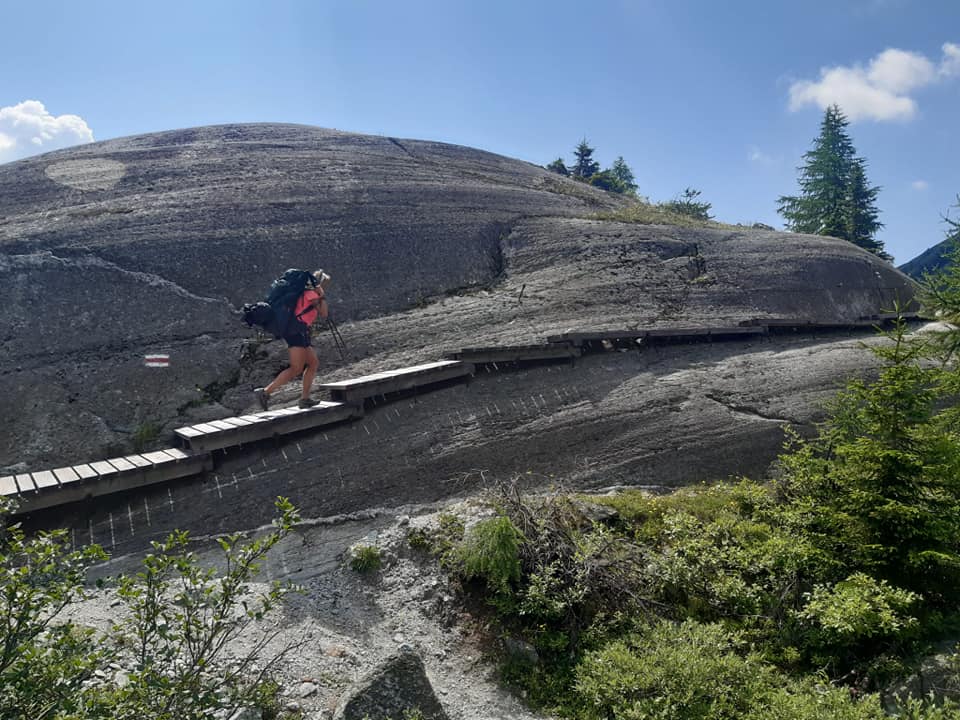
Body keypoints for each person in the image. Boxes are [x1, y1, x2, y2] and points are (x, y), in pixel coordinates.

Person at [254, 269, 331, 410]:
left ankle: (305, 399)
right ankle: (265, 393)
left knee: (313, 363)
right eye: (324, 284)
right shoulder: (310, 294)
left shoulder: (305, 293)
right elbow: (324, 313)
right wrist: (322, 295)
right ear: (318, 284)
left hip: (299, 331)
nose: (325, 287)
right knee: (296, 368)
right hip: (296, 333)